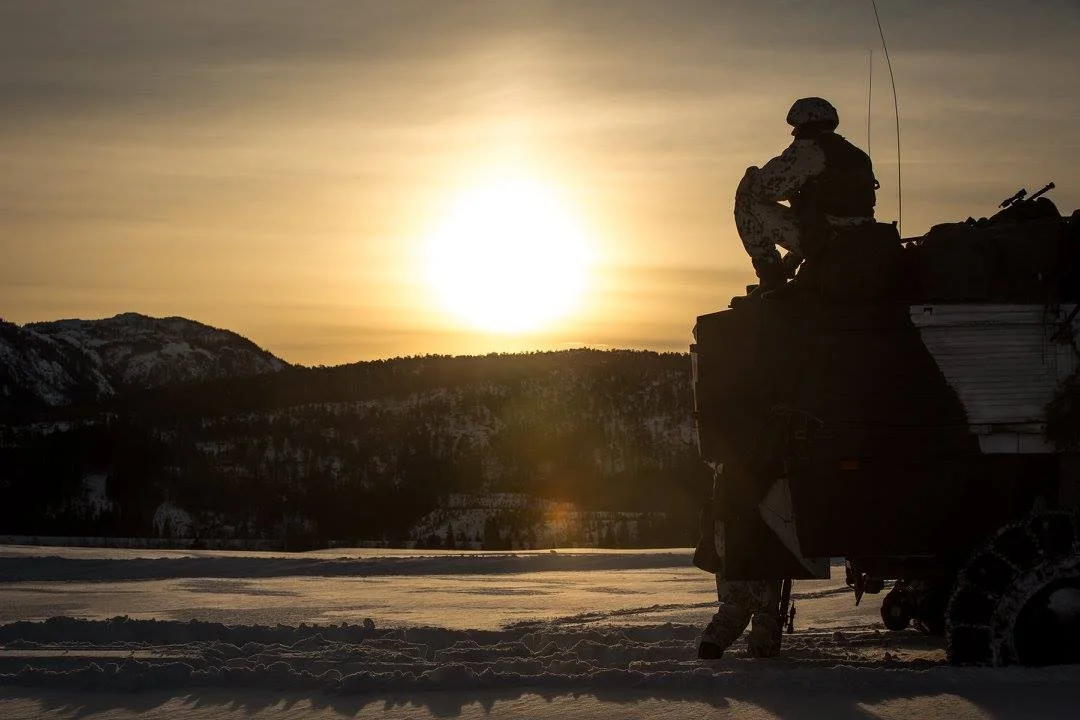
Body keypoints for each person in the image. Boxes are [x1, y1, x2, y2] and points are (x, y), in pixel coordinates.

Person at [734, 97, 878, 295]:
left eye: (796, 127)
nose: (794, 133)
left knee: (746, 200)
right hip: (860, 236)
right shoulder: (857, 154)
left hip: (829, 239)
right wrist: (793, 258)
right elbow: (823, 210)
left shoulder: (808, 150)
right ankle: (791, 269)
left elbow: (761, 188)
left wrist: (751, 174)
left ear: (803, 124)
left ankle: (771, 277)